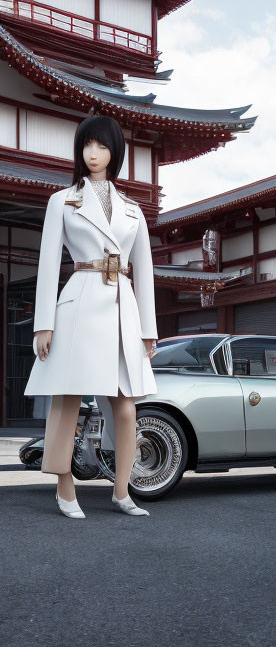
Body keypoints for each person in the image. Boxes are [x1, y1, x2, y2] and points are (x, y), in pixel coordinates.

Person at [23, 115, 159, 518]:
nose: (93, 153)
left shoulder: (133, 209)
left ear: (115, 151)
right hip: (79, 302)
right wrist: (43, 323)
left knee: (126, 405)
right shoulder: (61, 201)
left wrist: (148, 329)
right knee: (67, 398)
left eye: (101, 146)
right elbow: (48, 263)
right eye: (87, 146)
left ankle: (122, 490)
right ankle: (65, 488)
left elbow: (145, 271)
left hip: (122, 309)